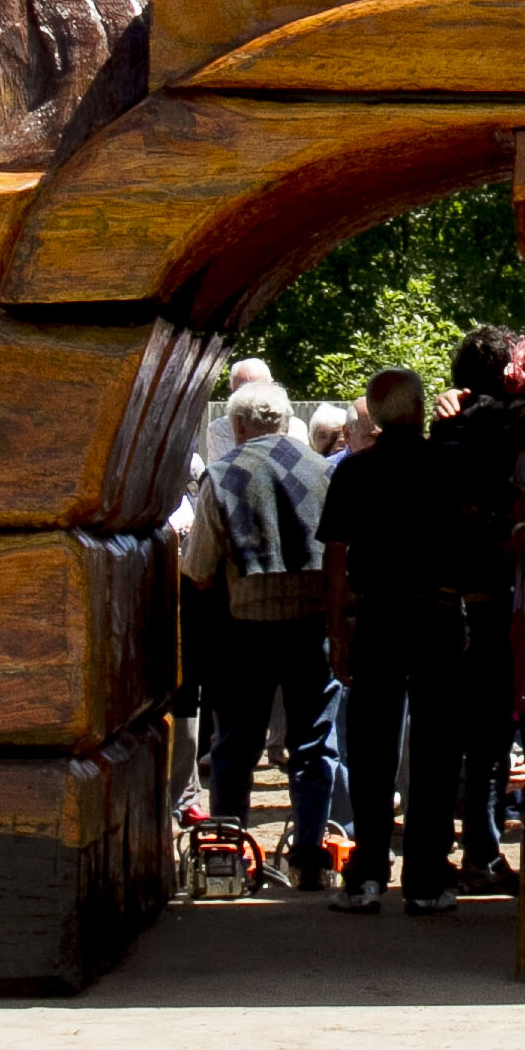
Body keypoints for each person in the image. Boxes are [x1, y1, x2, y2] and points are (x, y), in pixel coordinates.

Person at [315, 368, 467, 914]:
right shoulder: (449, 463)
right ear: (419, 408)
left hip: (377, 617)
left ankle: (367, 873)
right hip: (439, 613)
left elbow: (335, 556)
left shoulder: (356, 471)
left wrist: (336, 627)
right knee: (435, 748)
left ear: (374, 415)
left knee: (373, 746)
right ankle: (427, 875)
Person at [183, 376, 344, 889]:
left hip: (244, 632)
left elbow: (200, 568)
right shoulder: (325, 472)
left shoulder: (222, 474)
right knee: (314, 745)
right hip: (313, 627)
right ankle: (310, 857)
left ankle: (228, 857)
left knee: (235, 746)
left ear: (236, 425)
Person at [431, 325, 525, 893]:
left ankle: (442, 850)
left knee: (451, 732)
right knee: (491, 736)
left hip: (449, 598)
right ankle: (484, 853)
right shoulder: (511, 421)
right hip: (496, 595)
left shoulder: (447, 427)